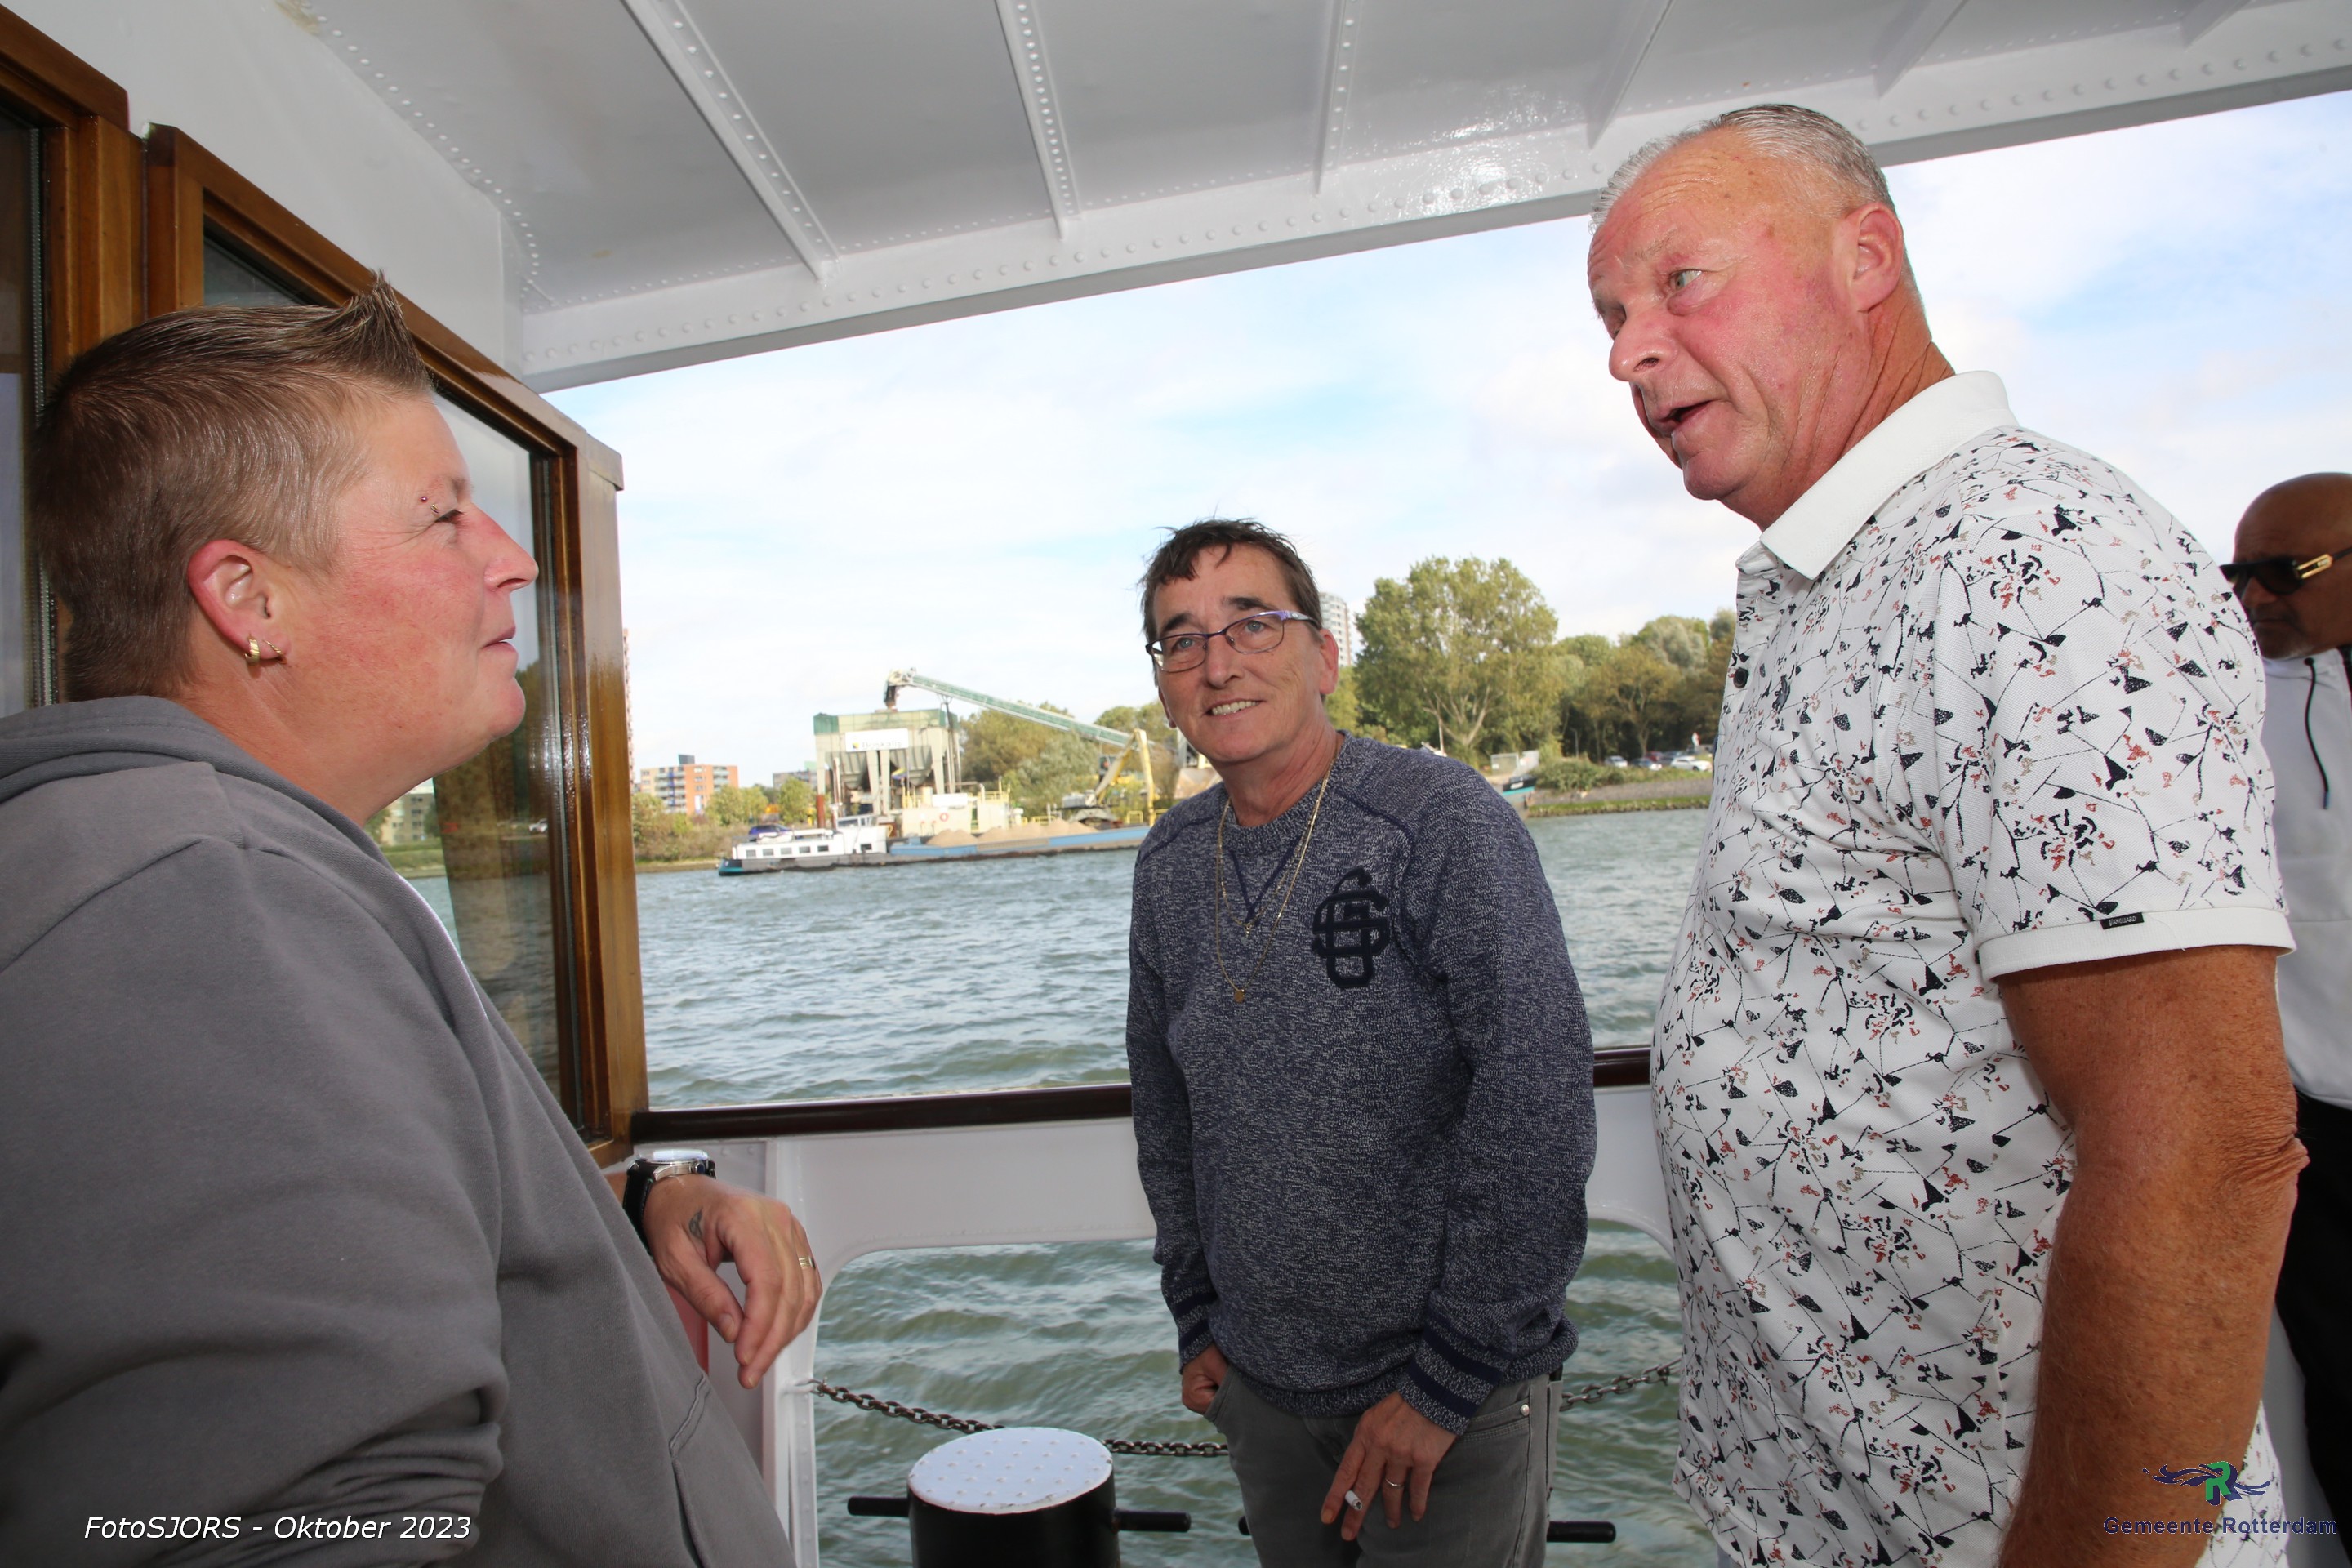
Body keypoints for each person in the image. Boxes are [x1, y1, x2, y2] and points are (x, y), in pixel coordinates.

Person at [1586, 105, 2301, 1566]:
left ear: (1866, 260)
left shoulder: (2033, 556)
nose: (1627, 354)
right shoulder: (1840, 574)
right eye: (1611, 318)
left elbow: (2206, 1159)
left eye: (1680, 283)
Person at [0, 283, 816, 1564]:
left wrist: (636, 1201)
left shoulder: (213, 876)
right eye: (442, 515)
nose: (514, 558)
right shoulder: (210, 905)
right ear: (247, 598)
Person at [1124, 517, 1596, 1566]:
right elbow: (1167, 1114)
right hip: (1262, 1393)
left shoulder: (1441, 824)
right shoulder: (1169, 864)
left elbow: (1539, 1097)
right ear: (1164, 683)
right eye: (1183, 639)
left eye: (1253, 624)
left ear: (1324, 658)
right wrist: (1197, 1317)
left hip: (1450, 1409)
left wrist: (1447, 1382)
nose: (1218, 663)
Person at [2229, 474, 2352, 1529]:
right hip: (2313, 1135)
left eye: (2284, 572)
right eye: (2240, 576)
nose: (2255, 597)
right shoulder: (2220, 709)